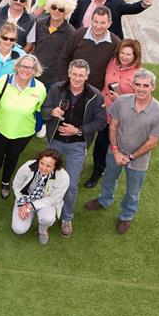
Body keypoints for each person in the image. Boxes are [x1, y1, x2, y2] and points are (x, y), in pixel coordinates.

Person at [84, 69, 159, 234]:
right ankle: (104, 199)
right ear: (133, 85)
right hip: (115, 151)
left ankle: (126, 215)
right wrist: (115, 151)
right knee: (109, 178)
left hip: (139, 159)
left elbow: (153, 142)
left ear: (153, 87)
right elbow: (113, 125)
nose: (141, 89)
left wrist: (130, 157)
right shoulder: (121, 101)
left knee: (133, 191)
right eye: (138, 84)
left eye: (146, 85)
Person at [40, 59, 107, 238]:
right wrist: (52, 112)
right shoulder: (56, 89)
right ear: (69, 74)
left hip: (78, 144)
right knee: (46, 176)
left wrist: (77, 130)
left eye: (81, 75)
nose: (77, 78)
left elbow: (100, 122)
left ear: (87, 76)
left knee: (71, 183)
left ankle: (67, 217)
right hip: (55, 141)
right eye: (74, 74)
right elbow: (43, 110)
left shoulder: (96, 96)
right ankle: (43, 210)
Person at [0, 54, 46, 198]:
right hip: (0, 128)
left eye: (30, 68)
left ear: (35, 70)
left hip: (23, 131)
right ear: (17, 67)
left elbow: (39, 110)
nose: (26, 70)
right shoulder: (3, 81)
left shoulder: (40, 88)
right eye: (23, 66)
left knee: (13, 157)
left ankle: (6, 182)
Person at [85, 39, 143, 189]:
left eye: (128, 54)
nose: (124, 57)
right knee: (90, 136)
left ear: (135, 56)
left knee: (102, 144)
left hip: (118, 116)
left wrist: (121, 99)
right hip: (101, 109)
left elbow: (140, 99)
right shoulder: (111, 62)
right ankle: (92, 163)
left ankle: (97, 172)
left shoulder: (139, 75)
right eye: (122, 53)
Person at [11, 149, 70, 245]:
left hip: (47, 201)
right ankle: (28, 213)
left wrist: (31, 206)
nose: (43, 168)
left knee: (48, 219)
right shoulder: (28, 166)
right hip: (26, 198)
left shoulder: (63, 177)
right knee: (18, 229)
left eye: (48, 166)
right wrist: (22, 204)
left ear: (56, 167)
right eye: (42, 163)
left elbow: (54, 199)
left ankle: (42, 231)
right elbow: (16, 186)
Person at [59, 6, 120, 91]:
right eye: (95, 22)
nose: (98, 26)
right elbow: (64, 57)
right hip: (72, 87)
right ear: (91, 20)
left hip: (95, 91)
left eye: (103, 23)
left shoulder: (115, 43)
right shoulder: (79, 34)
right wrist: (66, 82)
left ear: (109, 23)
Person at [30, 0, 77, 86]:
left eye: (61, 9)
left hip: (54, 79)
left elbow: (70, 57)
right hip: (34, 74)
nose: (57, 11)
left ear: (66, 12)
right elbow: (32, 46)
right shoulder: (39, 24)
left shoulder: (71, 32)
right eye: (54, 7)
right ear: (49, 8)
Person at [0, 22, 27, 87]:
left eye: (12, 39)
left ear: (15, 41)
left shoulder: (22, 55)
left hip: (9, 93)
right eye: (5, 38)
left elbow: (24, 75)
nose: (8, 42)